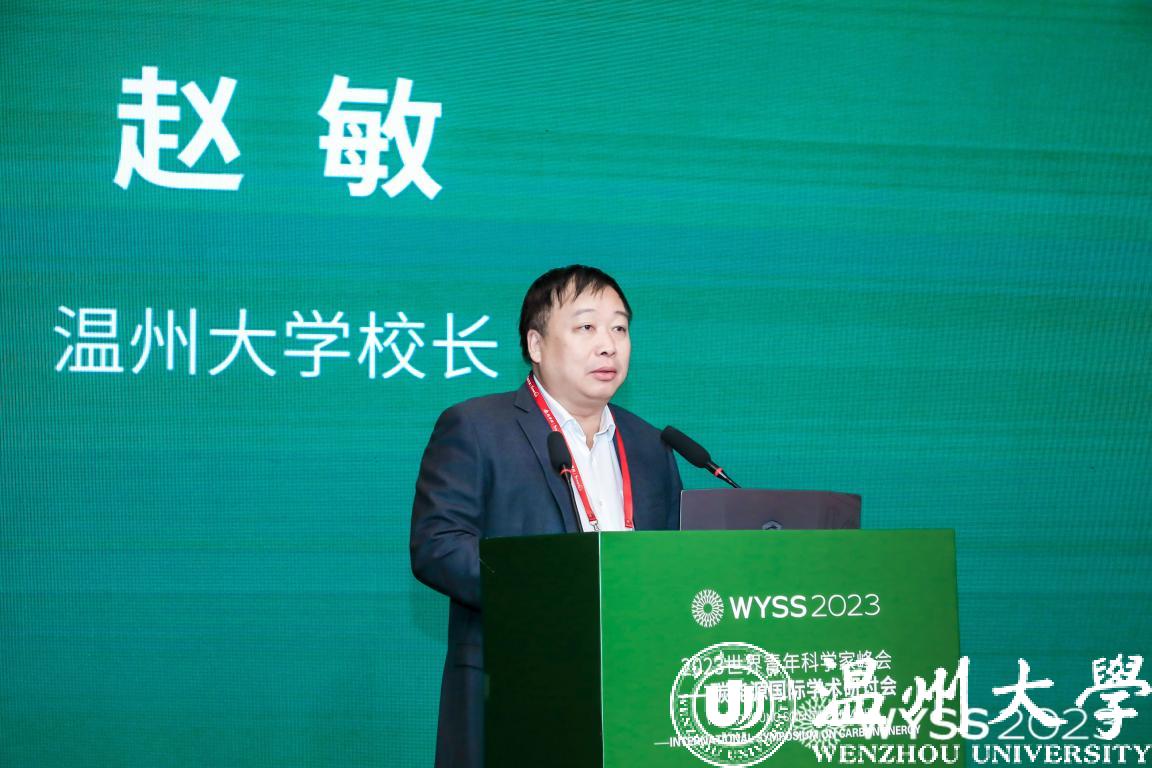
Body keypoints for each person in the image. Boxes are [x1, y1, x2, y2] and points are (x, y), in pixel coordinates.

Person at [410, 265, 683, 768]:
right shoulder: (476, 427)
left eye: (619, 328)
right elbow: (438, 545)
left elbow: (671, 563)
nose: (608, 345)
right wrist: (554, 590)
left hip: (630, 692)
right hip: (513, 688)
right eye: (586, 327)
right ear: (535, 345)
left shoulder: (651, 446)